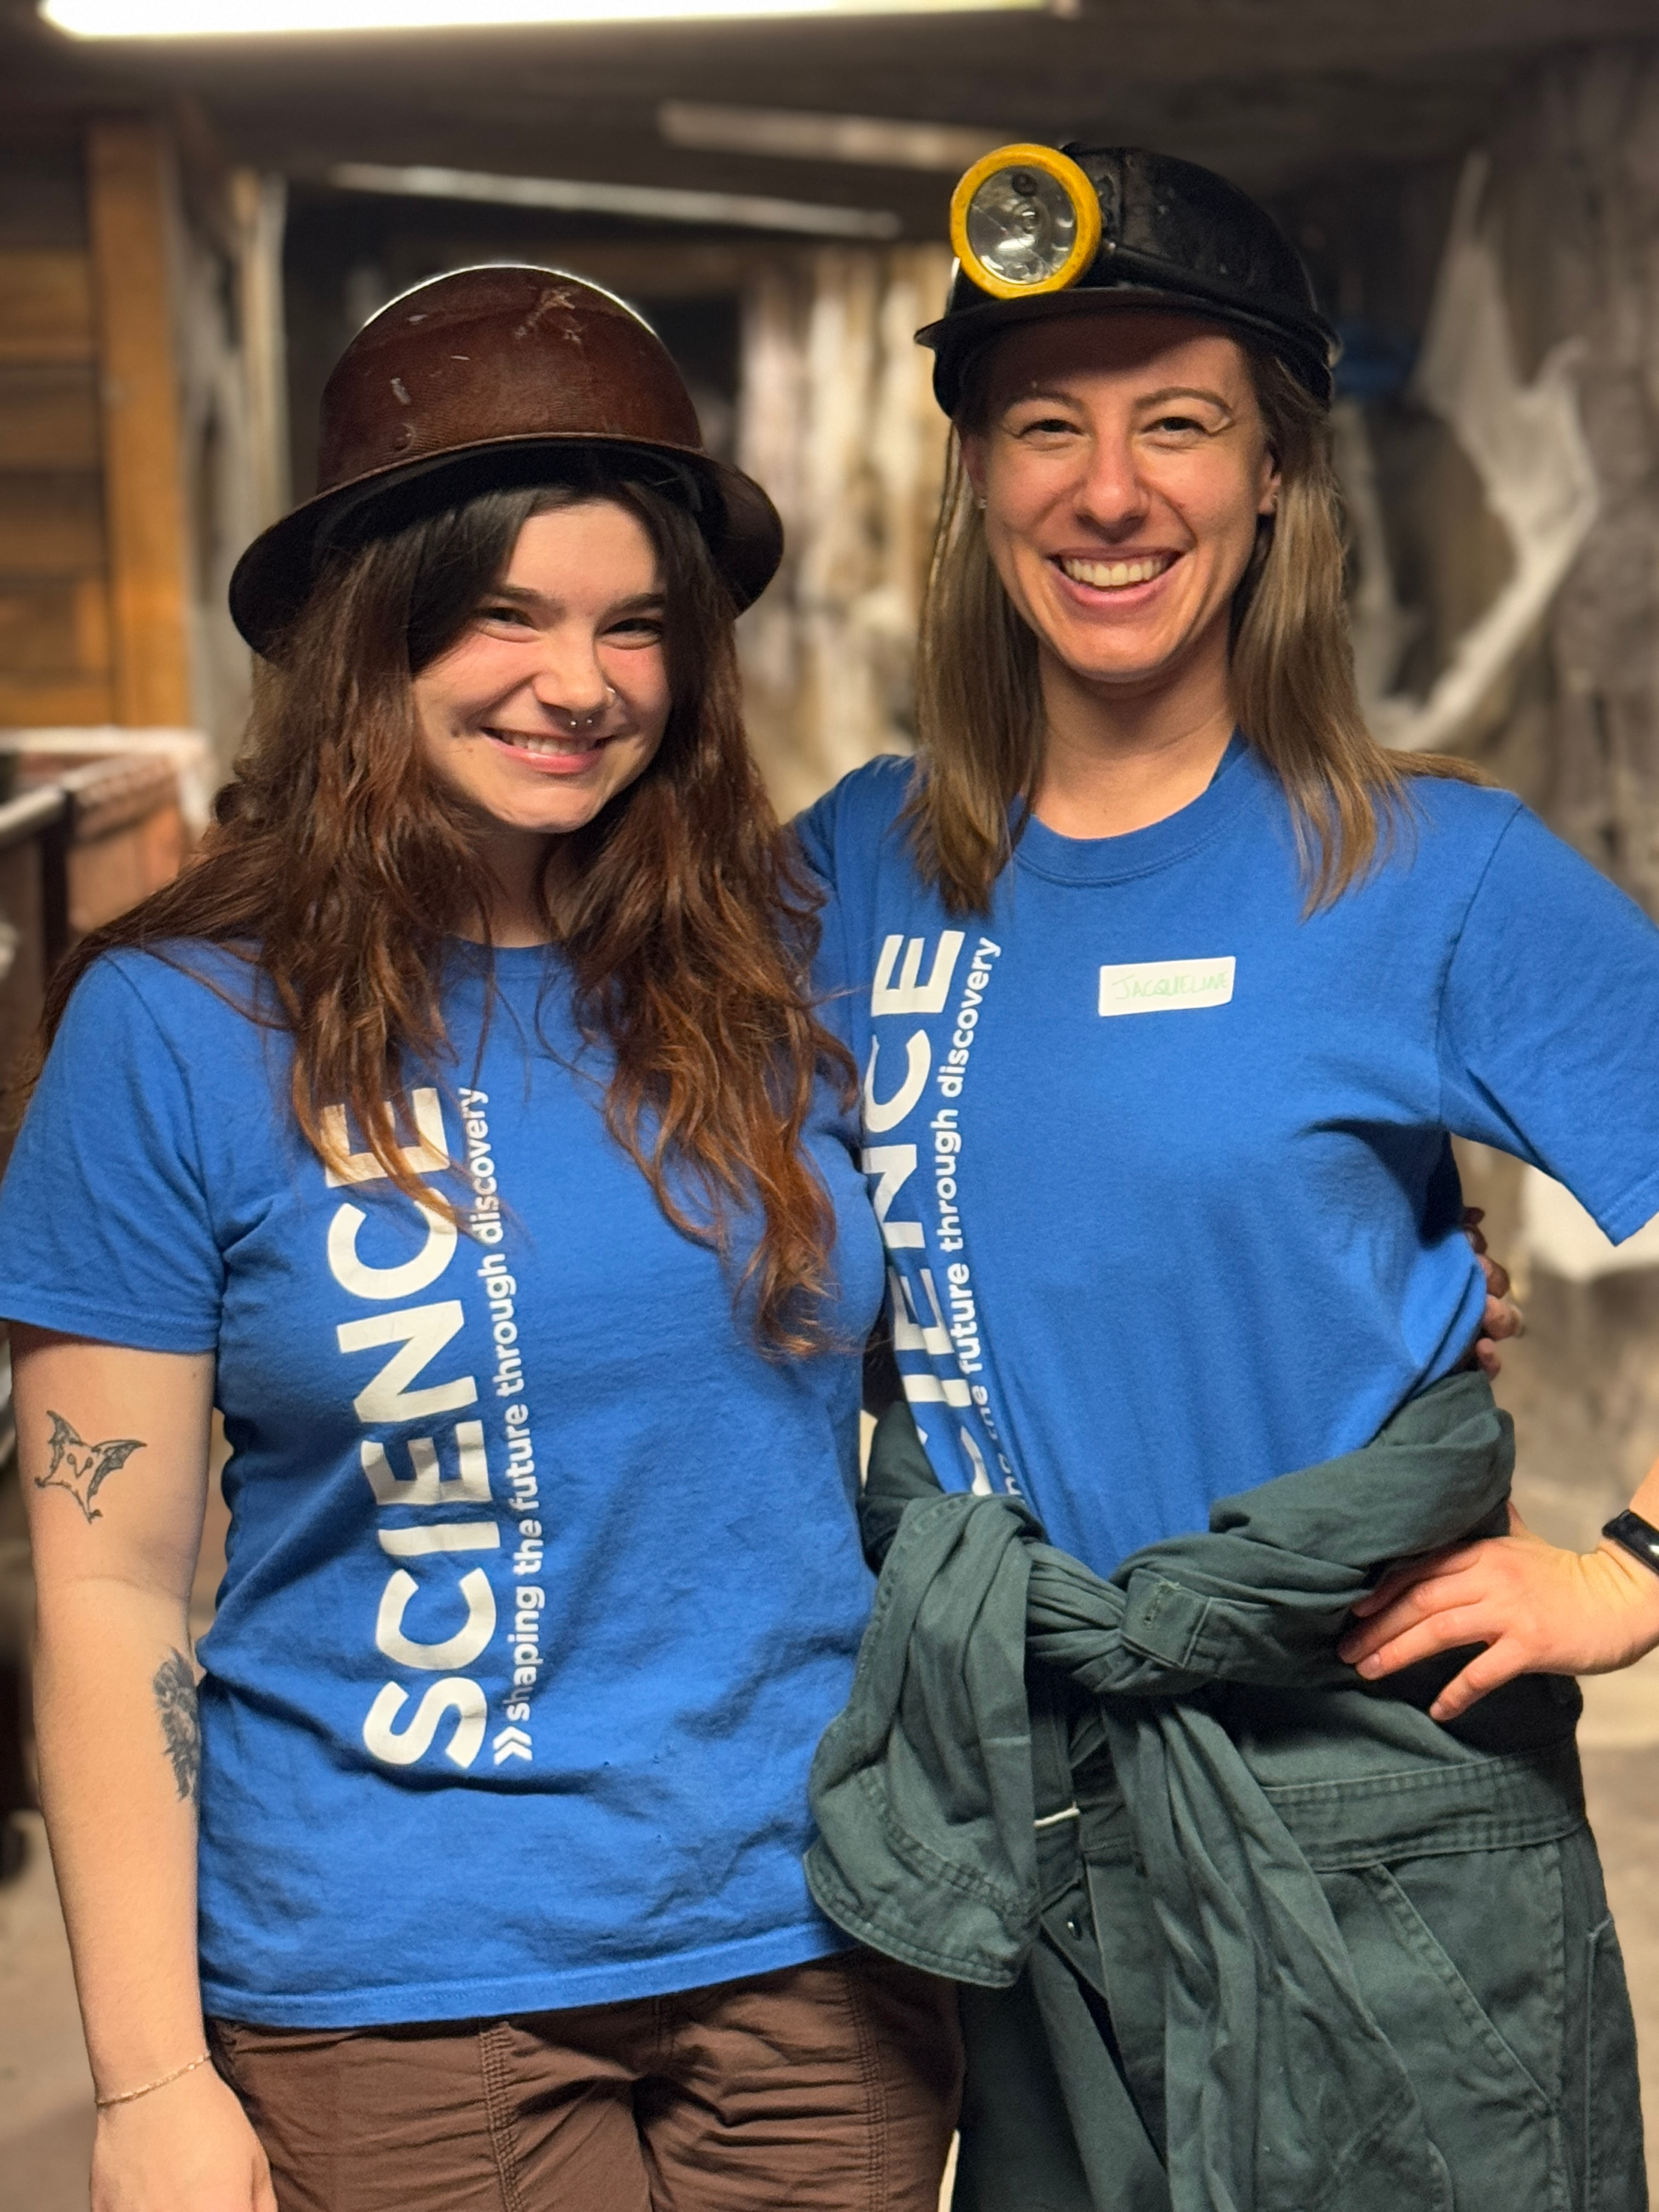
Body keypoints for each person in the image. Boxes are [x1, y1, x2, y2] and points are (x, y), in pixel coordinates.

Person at [1, 266, 961, 2212]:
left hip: (813, 1946)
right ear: (371, 635)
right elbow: (107, 1598)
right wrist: (142, 2084)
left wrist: (1383, 1252)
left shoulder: (785, 960)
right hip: (391, 1979)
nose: (580, 681)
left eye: (633, 627)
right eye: (505, 616)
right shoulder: (180, 1026)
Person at [795, 144, 1659, 2208]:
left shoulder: (1429, 875)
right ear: (978, 482)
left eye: (1179, 422)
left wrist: (1636, 1568)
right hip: (1037, 1830)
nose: (1113, 492)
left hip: (1378, 1822)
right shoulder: (852, 865)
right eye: (1047, 428)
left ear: (1274, 473)